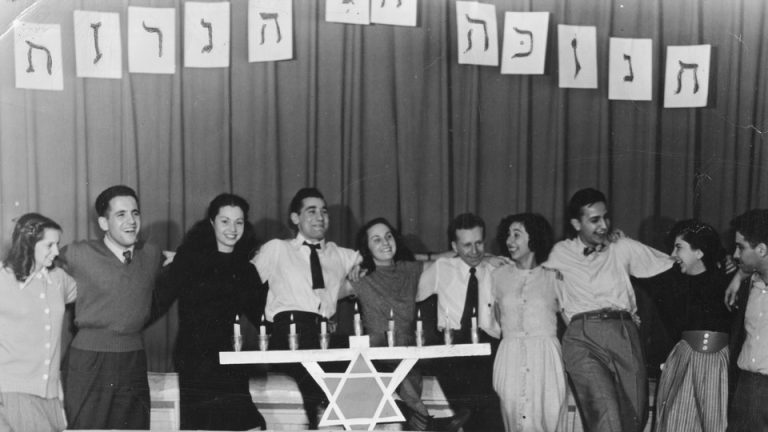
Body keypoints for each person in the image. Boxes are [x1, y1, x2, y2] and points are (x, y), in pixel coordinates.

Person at [544, 188, 673, 432]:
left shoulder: (621, 246)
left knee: (635, 416)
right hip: (581, 337)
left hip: (622, 332)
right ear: (576, 223)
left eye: (606, 217)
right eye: (594, 220)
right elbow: (532, 274)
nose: (603, 225)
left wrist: (732, 269)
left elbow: (672, 265)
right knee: (605, 415)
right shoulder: (560, 252)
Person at [252, 187, 360, 428]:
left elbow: (380, 260)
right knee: (318, 367)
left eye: (324, 211)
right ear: (295, 218)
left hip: (323, 333)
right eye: (311, 211)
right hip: (287, 331)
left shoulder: (340, 255)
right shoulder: (278, 248)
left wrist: (362, 268)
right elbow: (241, 278)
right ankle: (320, 413)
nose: (320, 217)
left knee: (357, 357)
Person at [157, 193, 267, 430]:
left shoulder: (245, 269)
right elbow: (160, 299)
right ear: (212, 223)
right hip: (196, 358)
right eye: (225, 221)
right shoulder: (190, 259)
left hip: (230, 357)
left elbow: (263, 316)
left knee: (249, 425)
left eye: (239, 222)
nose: (232, 229)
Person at [59, 185, 165, 429]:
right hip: (89, 361)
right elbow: (34, 266)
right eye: (121, 215)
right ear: (104, 223)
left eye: (135, 213)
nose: (131, 221)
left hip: (134, 360)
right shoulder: (78, 253)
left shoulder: (151, 254)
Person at [416, 213, 503, 431]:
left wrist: (491, 257)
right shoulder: (441, 268)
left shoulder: (496, 270)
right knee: (473, 411)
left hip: (489, 347)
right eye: (466, 245)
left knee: (487, 413)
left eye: (479, 243)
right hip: (453, 348)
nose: (474, 252)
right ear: (454, 246)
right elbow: (411, 291)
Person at [643, 220, 732, 432]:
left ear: (699, 252)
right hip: (682, 360)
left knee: (714, 423)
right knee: (674, 422)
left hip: (715, 364)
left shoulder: (726, 282)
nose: (673, 253)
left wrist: (739, 273)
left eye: (679, 247)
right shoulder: (669, 281)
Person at [490, 213, 567, 432]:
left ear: (534, 238)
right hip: (510, 356)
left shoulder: (554, 275)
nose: (509, 241)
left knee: (549, 418)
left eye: (517, 235)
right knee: (514, 418)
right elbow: (493, 320)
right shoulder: (497, 276)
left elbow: (570, 316)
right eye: (508, 235)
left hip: (546, 358)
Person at [0, 213, 76, 432]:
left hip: (50, 395)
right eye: (49, 245)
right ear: (28, 244)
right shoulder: (2, 279)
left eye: (58, 244)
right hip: (12, 392)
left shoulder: (59, 279)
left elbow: (94, 292)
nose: (57, 251)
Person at [723, 209, 768, 431]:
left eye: (741, 247)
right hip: (747, 388)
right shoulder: (750, 284)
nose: (736, 254)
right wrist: (739, 276)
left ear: (761, 249)